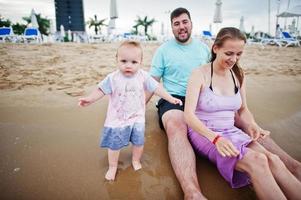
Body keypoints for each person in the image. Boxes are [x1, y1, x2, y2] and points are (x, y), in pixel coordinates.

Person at [148, 7, 301, 199]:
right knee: (177, 125)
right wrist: (137, 110)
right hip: (176, 99)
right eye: (176, 23)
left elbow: (232, 92)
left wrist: (251, 124)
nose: (181, 26)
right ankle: (192, 191)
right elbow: (151, 83)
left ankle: (291, 166)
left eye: (184, 22)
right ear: (172, 27)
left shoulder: (206, 51)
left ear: (191, 22)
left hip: (207, 97)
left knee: (246, 126)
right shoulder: (165, 51)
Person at [184, 27, 301, 200]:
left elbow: (243, 109)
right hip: (205, 133)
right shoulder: (199, 74)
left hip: (230, 131)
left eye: (239, 54)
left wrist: (252, 124)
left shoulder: (238, 74)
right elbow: (188, 115)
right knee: (258, 162)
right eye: (229, 53)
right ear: (216, 48)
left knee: (273, 159)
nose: (234, 59)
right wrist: (215, 138)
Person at [78, 41, 182, 181]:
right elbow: (101, 90)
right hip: (117, 119)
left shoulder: (143, 76)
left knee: (138, 142)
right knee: (114, 145)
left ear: (140, 62)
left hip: (137, 117)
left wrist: (170, 98)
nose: (128, 65)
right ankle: (113, 166)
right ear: (117, 59)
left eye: (134, 62)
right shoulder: (113, 78)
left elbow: (157, 88)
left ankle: (135, 160)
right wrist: (90, 99)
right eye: (123, 61)